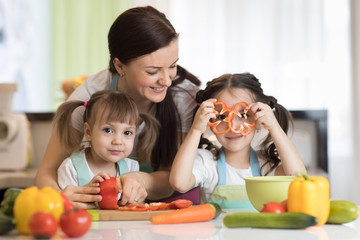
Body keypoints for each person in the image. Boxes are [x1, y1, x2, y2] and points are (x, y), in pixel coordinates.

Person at [35, 6, 201, 208]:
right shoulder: (88, 96)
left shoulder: (183, 97)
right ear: (120, 66)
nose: (166, 81)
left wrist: (140, 179)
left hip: (158, 207)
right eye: (152, 71)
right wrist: (61, 198)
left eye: (173, 66)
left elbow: (173, 176)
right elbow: (46, 173)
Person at [169, 73, 307, 209]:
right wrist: (196, 129)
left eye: (243, 115)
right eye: (222, 116)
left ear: (257, 119)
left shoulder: (266, 165)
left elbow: (299, 179)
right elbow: (179, 183)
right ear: (210, 120)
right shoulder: (207, 163)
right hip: (217, 232)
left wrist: (273, 126)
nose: (233, 127)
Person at [54, 90, 158, 207]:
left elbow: (136, 207)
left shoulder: (131, 167)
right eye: (108, 130)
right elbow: (63, 209)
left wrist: (134, 200)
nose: (118, 141)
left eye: (127, 132)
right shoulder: (70, 167)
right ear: (88, 132)